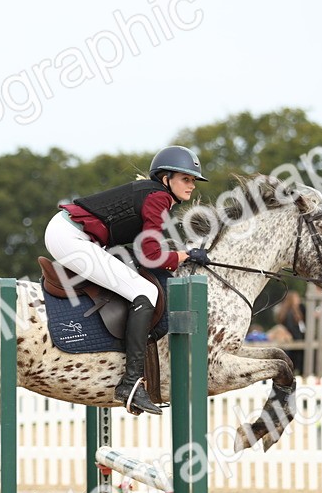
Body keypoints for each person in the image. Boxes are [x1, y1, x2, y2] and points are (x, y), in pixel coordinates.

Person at [44, 146, 208, 415]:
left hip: (71, 233)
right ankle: (130, 383)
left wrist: (179, 253)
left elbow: (145, 248)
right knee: (145, 292)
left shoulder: (153, 194)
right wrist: (186, 254)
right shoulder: (158, 198)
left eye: (193, 180)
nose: (191, 186)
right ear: (166, 179)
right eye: (186, 179)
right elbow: (152, 255)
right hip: (71, 237)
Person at [275, 291, 306, 374]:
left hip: (297, 339)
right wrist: (299, 337)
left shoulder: (298, 311)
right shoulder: (289, 313)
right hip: (293, 340)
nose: (299, 300)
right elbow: (291, 327)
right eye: (296, 298)